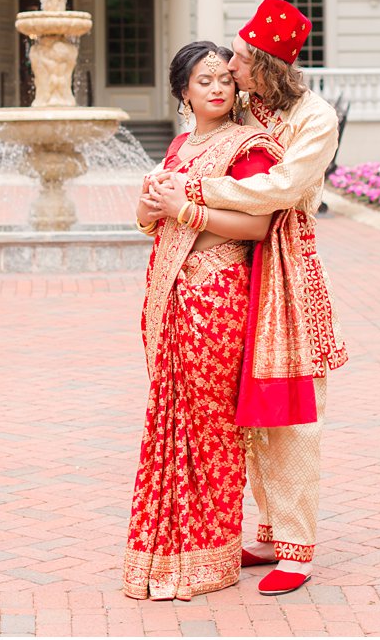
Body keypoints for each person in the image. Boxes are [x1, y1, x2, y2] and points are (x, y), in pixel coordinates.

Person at [151, 0, 348, 597]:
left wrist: (192, 191)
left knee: (287, 412)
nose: (228, 67)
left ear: (264, 63)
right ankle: (266, 531)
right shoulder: (250, 102)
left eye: (238, 57)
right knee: (247, 409)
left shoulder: (315, 119)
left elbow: (281, 187)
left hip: (284, 268)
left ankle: (298, 547)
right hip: (235, 273)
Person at [122, 41, 283, 602]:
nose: (217, 88)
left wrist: (184, 208)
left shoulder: (250, 148)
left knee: (211, 429)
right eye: (203, 80)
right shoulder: (182, 143)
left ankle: (209, 557)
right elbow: (152, 220)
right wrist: (148, 208)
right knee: (170, 424)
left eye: (224, 79)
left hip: (218, 297)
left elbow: (258, 225)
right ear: (183, 92)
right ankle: (164, 554)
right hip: (171, 299)